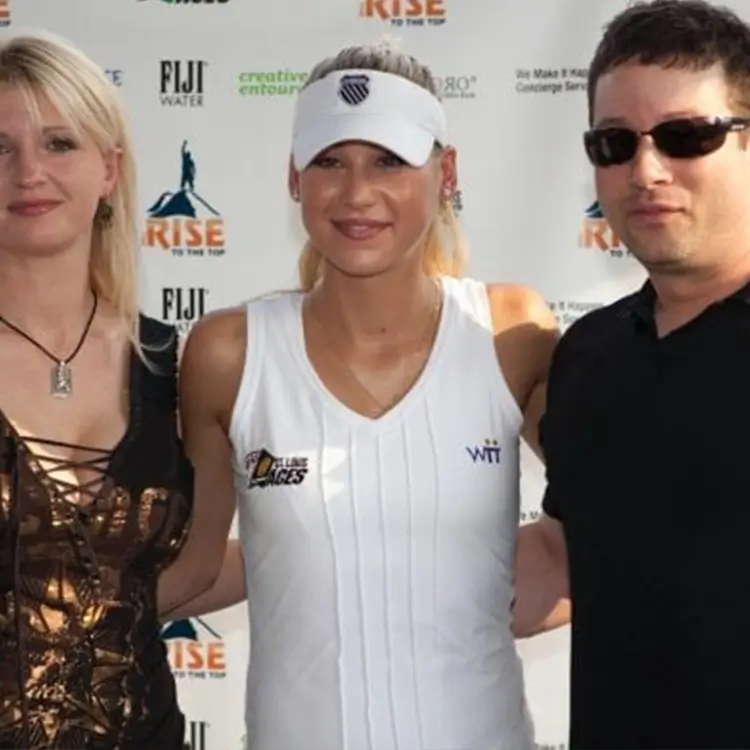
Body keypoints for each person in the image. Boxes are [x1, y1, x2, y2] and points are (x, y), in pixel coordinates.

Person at [177, 41, 563, 749]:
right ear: (295, 177)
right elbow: (192, 567)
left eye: (388, 160)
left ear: (445, 173)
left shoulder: (511, 332)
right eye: (329, 160)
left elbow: (618, 529)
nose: (357, 193)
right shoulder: (228, 352)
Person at [513, 1, 750, 748]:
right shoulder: (588, 353)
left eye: (687, 136)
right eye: (615, 142)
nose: (645, 171)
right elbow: (567, 555)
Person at [0, 32, 231, 749]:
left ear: (110, 169)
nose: (28, 172)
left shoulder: (175, 364)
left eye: (60, 143)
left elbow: (200, 562)